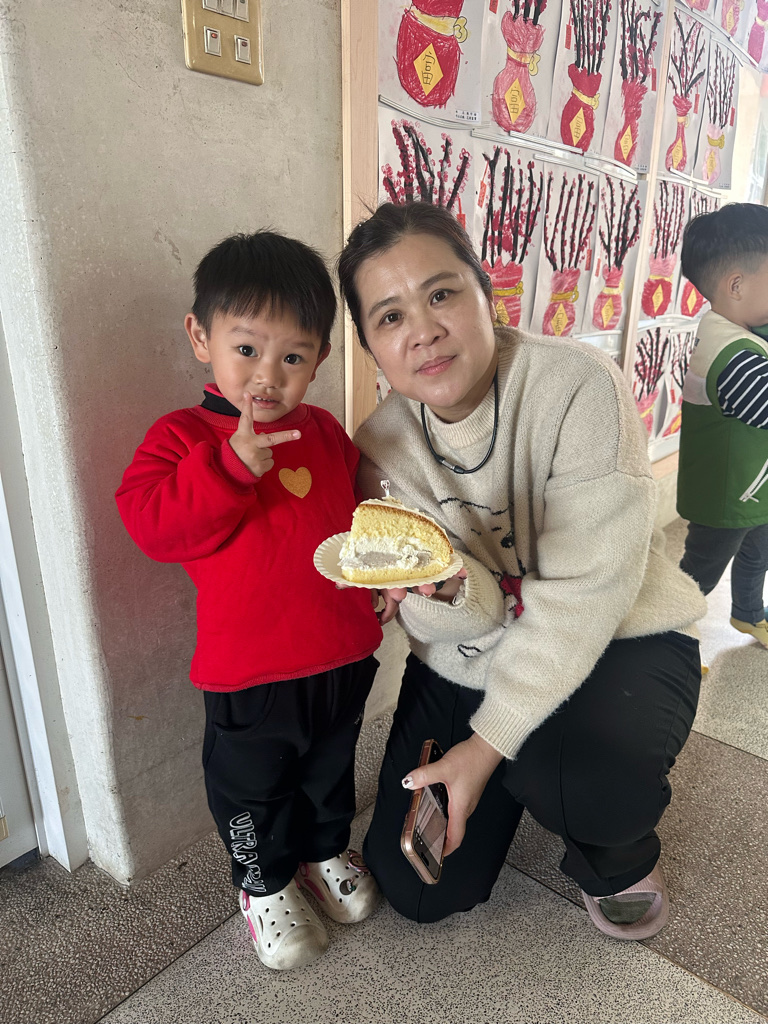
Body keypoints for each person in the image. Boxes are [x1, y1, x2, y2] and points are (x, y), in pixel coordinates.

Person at [336, 202, 707, 939]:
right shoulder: (379, 451)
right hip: (472, 651)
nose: (423, 330)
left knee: (575, 779)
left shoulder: (575, 386)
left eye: (442, 294)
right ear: (371, 346)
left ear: (487, 295)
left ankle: (613, 850)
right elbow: (450, 620)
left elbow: (584, 595)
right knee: (418, 891)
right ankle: (522, 760)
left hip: (617, 631)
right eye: (390, 316)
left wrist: (487, 744)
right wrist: (446, 588)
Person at [116, 232, 382, 971]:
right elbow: (153, 526)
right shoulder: (181, 436)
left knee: (331, 768)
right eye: (247, 349)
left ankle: (324, 852)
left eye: (293, 357)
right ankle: (263, 884)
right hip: (249, 671)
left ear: (319, 361)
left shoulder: (324, 431)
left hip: (343, 651)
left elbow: (359, 521)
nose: (268, 375)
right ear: (200, 337)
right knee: (252, 789)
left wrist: (383, 580)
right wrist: (229, 466)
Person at [677, 203, 768, 649]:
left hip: (752, 486)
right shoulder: (733, 355)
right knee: (700, 572)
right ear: (737, 285)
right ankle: (667, 635)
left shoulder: (742, 328)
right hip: (724, 496)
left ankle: (748, 614)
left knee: (759, 553)